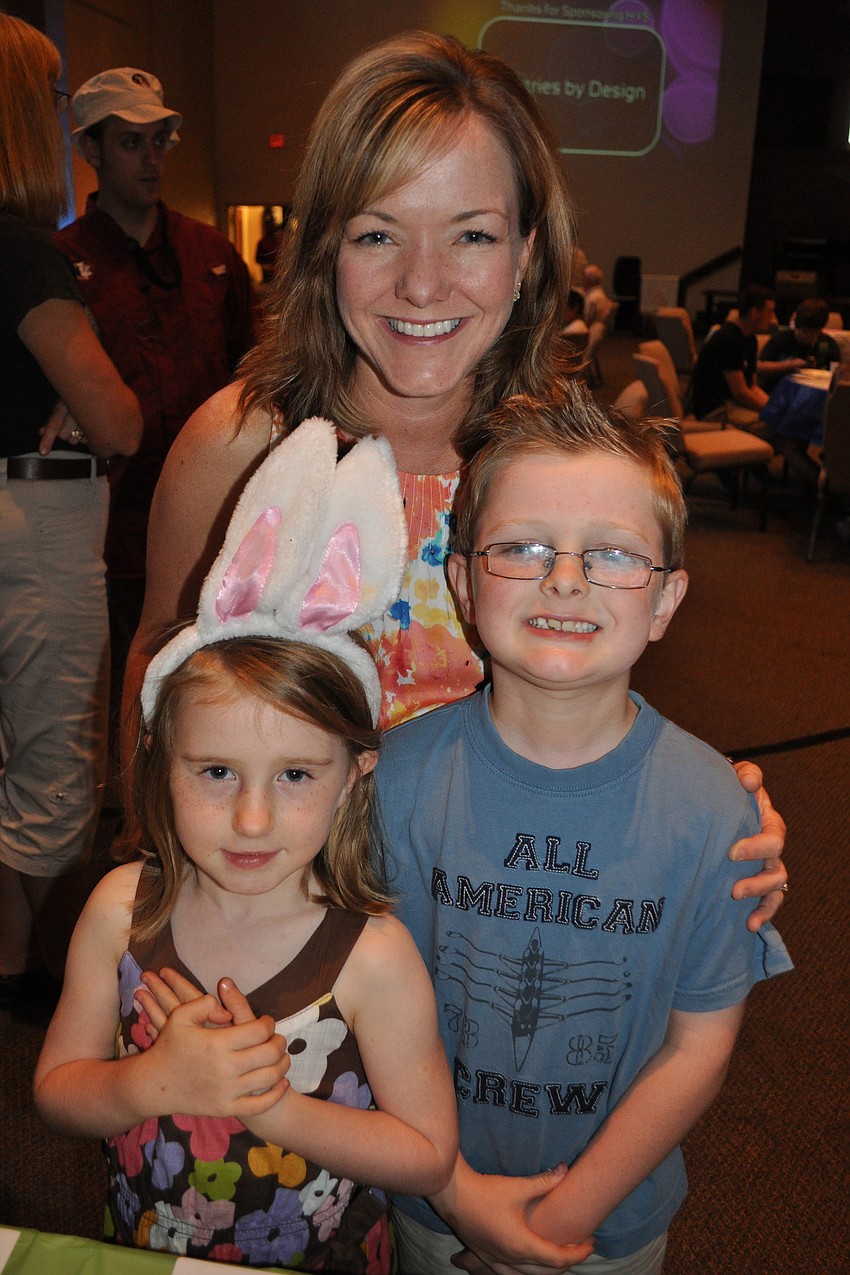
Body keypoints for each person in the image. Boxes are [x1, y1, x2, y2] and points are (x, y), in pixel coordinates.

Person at [123, 32, 787, 919]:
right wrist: (157, 903)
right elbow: (154, 679)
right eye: (378, 234)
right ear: (324, 249)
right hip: (278, 928)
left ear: (526, 253)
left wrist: (707, 811)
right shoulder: (242, 449)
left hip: (491, 920)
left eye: (471, 234)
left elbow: (595, 697)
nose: (423, 285)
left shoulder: (567, 470)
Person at [377, 389, 793, 1274]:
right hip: (430, 1198)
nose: (565, 578)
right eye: (522, 547)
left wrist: (566, 1214)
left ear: (668, 598)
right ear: (461, 582)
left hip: (608, 1229)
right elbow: (374, 1012)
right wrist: (455, 1192)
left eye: (611, 554)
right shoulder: (398, 781)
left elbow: (697, 1044)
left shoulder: (715, 810)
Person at [34, 421, 458, 1270]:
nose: (253, 819)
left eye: (296, 775)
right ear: (160, 752)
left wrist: (268, 1107)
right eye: (218, 770)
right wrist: (154, 1083)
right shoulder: (122, 912)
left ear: (355, 774)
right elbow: (58, 1090)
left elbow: (425, 1152)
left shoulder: (373, 956)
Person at [53, 67, 259, 768]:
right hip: (107, 529)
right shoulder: (63, 263)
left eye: (159, 141)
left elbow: (259, 366)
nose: (150, 158)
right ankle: (130, 826)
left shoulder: (212, 256)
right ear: (93, 151)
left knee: (218, 682)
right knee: (121, 689)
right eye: (131, 142)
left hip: (220, 512)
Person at [0, 14, 142, 1003]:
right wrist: (91, 397)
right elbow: (121, 421)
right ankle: (18, 967)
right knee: (52, 757)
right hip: (34, 519)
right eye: (52, 100)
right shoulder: (22, 252)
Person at [691, 284, 776, 423]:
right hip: (715, 408)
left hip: (733, 403)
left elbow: (752, 387)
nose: (772, 318)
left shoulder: (750, 339)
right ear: (754, 313)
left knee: (780, 421)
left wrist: (774, 407)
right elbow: (740, 393)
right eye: (769, 312)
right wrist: (773, 413)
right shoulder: (729, 339)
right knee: (771, 426)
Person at [758, 296, 841, 389]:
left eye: (814, 332)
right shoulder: (781, 340)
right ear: (797, 326)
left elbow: (837, 377)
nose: (809, 337)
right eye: (805, 331)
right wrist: (791, 365)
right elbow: (760, 368)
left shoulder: (828, 344)